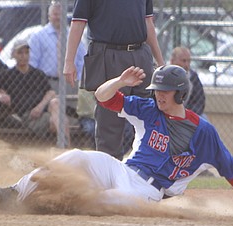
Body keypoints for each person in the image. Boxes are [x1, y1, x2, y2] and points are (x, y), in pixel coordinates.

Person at [0, 65, 233, 217]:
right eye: (156, 90)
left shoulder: (203, 131)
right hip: (121, 168)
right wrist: (119, 80)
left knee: (103, 201)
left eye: (165, 91)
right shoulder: (149, 109)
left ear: (180, 94)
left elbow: (231, 168)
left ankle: (44, 205)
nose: (158, 95)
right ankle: (13, 193)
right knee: (78, 156)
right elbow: (103, 97)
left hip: (148, 191)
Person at [63, 0, 165, 160]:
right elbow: (77, 23)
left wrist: (160, 62)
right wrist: (69, 62)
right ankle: (108, 174)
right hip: (108, 54)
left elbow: (148, 23)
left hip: (140, 54)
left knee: (148, 115)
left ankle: (147, 168)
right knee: (109, 121)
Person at [0, 39, 70, 144]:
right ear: (13, 55)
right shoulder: (7, 74)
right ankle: (66, 145)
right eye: (20, 53)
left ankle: (64, 144)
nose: (24, 56)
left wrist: (40, 107)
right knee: (58, 121)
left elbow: (51, 92)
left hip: (43, 111)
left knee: (55, 103)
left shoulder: (37, 73)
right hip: (27, 115)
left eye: (26, 53)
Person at [28, 1, 86, 95]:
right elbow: (33, 62)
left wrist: (78, 79)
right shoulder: (38, 36)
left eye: (60, 14)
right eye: (55, 14)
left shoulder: (73, 35)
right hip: (46, 83)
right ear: (49, 16)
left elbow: (82, 60)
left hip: (70, 82)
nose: (58, 17)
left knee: (71, 108)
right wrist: (36, 82)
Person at [170, 46, 206, 117]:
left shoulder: (193, 77)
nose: (186, 65)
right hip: (168, 114)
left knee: (204, 120)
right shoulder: (164, 75)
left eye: (189, 61)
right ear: (172, 61)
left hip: (187, 114)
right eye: (183, 61)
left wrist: (188, 115)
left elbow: (199, 101)